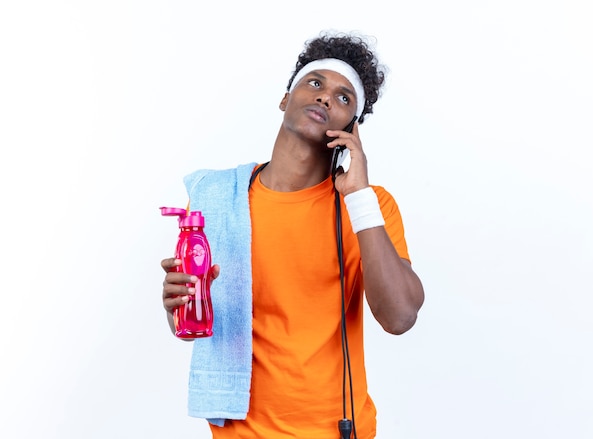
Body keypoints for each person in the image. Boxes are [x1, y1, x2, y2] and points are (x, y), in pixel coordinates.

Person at [160, 30, 425, 439]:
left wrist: (359, 197)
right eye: (315, 83)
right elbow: (199, 321)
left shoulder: (368, 205)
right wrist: (177, 305)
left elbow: (400, 316)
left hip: (334, 430)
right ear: (286, 99)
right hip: (238, 431)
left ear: (352, 128)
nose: (324, 97)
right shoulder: (218, 198)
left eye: (343, 98)